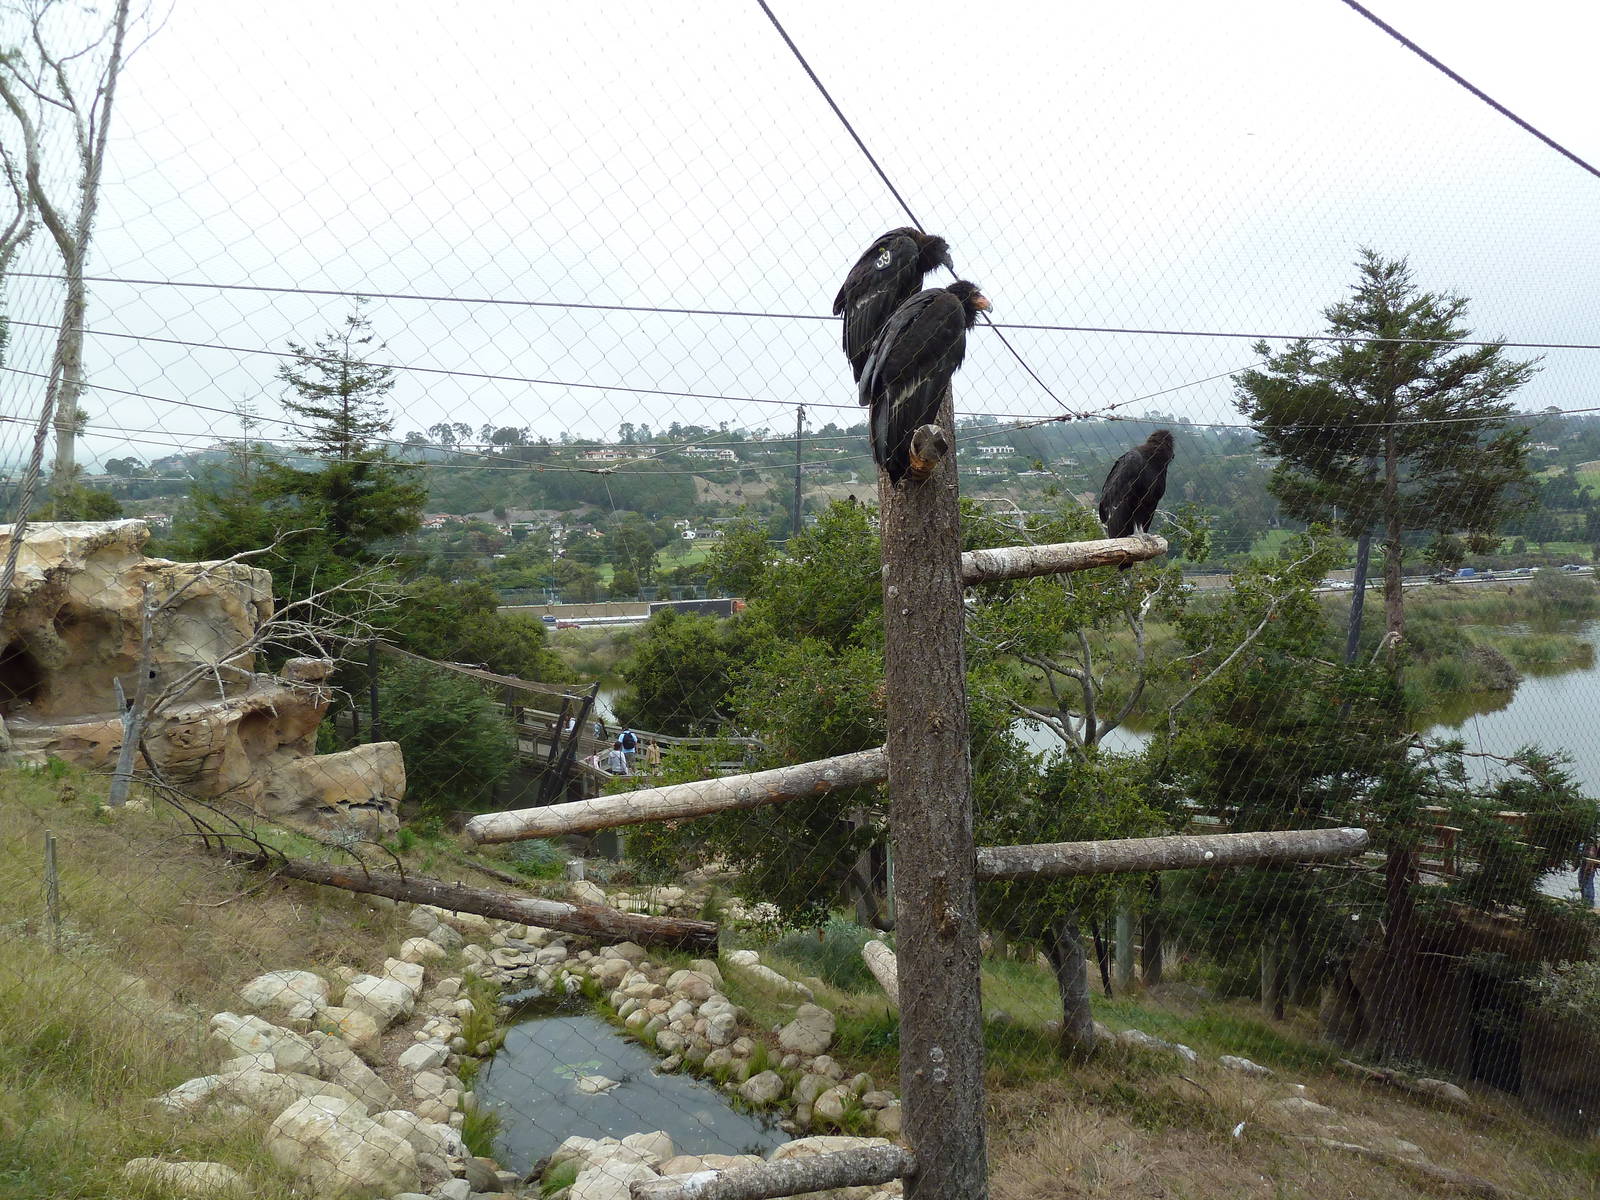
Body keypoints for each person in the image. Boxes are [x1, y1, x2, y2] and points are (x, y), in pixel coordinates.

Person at [1579, 838, 1599, 909]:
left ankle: (1588, 904)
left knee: (1587, 885)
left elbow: (1592, 854)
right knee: (1582, 884)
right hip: (1584, 865)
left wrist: (1589, 867)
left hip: (1589, 867)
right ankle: (1585, 902)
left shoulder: (1592, 844)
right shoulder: (1586, 843)